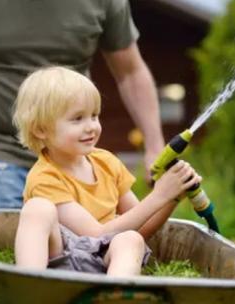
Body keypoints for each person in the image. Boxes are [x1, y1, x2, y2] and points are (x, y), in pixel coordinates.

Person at [0, 0, 165, 210]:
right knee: (9, 250)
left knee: (80, 250)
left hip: (69, 153)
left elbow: (130, 72)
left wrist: (155, 147)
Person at [13, 67, 201, 276]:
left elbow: (142, 225)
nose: (91, 126)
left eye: (94, 116)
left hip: (105, 262)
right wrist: (159, 195)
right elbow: (95, 234)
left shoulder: (106, 163)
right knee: (37, 209)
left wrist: (171, 197)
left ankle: (114, 294)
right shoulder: (45, 177)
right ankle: (29, 282)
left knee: (131, 239)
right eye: (77, 118)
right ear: (41, 129)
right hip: (61, 262)